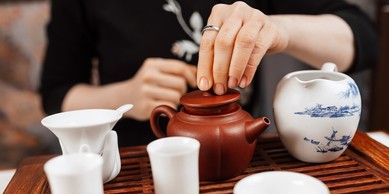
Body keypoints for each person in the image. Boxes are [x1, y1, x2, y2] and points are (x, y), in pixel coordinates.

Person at [39, 0, 378, 147]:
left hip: (242, 154)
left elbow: (362, 38)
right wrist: (124, 96)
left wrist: (279, 29)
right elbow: (56, 94)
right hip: (131, 161)